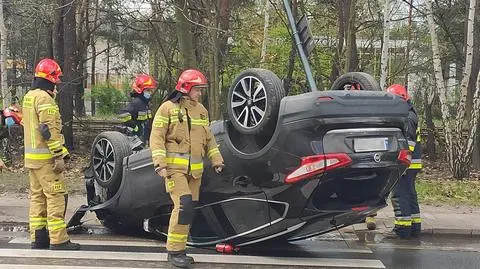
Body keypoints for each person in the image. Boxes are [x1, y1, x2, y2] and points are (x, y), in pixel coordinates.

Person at [150, 69, 224, 268]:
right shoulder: (167, 108)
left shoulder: (201, 110)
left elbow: (209, 139)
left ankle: (180, 249)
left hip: (195, 172)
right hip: (175, 170)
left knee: (188, 210)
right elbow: (156, 138)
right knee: (183, 206)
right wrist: (160, 165)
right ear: (186, 88)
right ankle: (174, 252)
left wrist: (216, 160)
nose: (199, 93)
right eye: (197, 89)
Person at [22, 58, 80, 250]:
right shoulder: (45, 99)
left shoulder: (29, 96)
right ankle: (58, 239)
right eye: (57, 78)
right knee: (55, 197)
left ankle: (38, 238)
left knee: (37, 198)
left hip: (32, 160)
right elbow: (49, 131)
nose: (58, 82)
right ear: (52, 78)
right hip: (46, 159)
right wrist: (59, 154)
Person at [385, 84, 422, 239]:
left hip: (405, 163)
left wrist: (401, 162)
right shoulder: (410, 113)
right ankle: (414, 227)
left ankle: (402, 229)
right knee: (410, 194)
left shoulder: (406, 117)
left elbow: (409, 142)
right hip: (412, 163)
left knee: (399, 195)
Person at [118, 74, 157, 144]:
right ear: (140, 90)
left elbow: (147, 121)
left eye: (151, 91)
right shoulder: (137, 102)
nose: (150, 93)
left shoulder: (145, 104)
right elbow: (123, 114)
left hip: (143, 137)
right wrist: (135, 127)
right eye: (148, 90)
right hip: (135, 139)